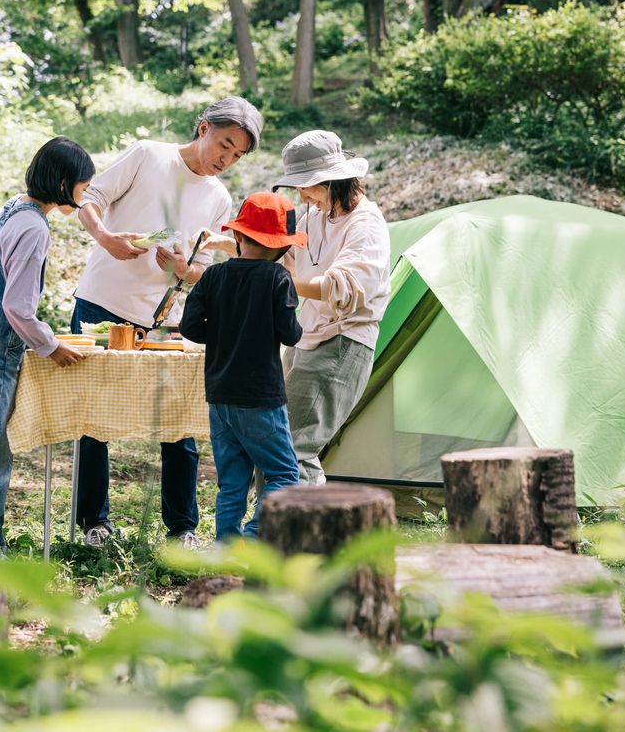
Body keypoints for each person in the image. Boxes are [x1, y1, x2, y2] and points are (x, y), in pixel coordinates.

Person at [71, 96, 264, 549]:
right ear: (203, 128)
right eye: (224, 144)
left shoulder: (218, 198)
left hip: (165, 319)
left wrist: (185, 270)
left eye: (237, 155)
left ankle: (182, 529)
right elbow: (89, 199)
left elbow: (203, 272)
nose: (226, 159)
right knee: (93, 418)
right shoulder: (148, 155)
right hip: (102, 304)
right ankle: (93, 524)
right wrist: (106, 238)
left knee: (178, 424)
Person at [0, 137, 95, 549]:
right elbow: (17, 306)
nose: (84, 199)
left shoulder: (15, 207)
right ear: (64, 182)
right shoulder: (33, 226)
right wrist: (51, 345)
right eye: (83, 189)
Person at [180, 192, 305, 540]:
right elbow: (290, 334)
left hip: (219, 394)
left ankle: (225, 545)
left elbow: (190, 327)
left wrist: (221, 335)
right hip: (261, 396)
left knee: (232, 479)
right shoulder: (279, 279)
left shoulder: (213, 276)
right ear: (282, 247)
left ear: (238, 236)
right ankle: (252, 538)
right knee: (284, 474)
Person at [272, 129, 390, 485]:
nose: (301, 194)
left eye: (306, 185)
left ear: (331, 181)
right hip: (308, 335)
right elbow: (277, 251)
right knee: (278, 444)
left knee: (293, 447)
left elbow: (345, 287)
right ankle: (272, 529)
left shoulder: (365, 225)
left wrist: (278, 283)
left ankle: (299, 536)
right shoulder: (316, 217)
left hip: (341, 341)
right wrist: (228, 246)